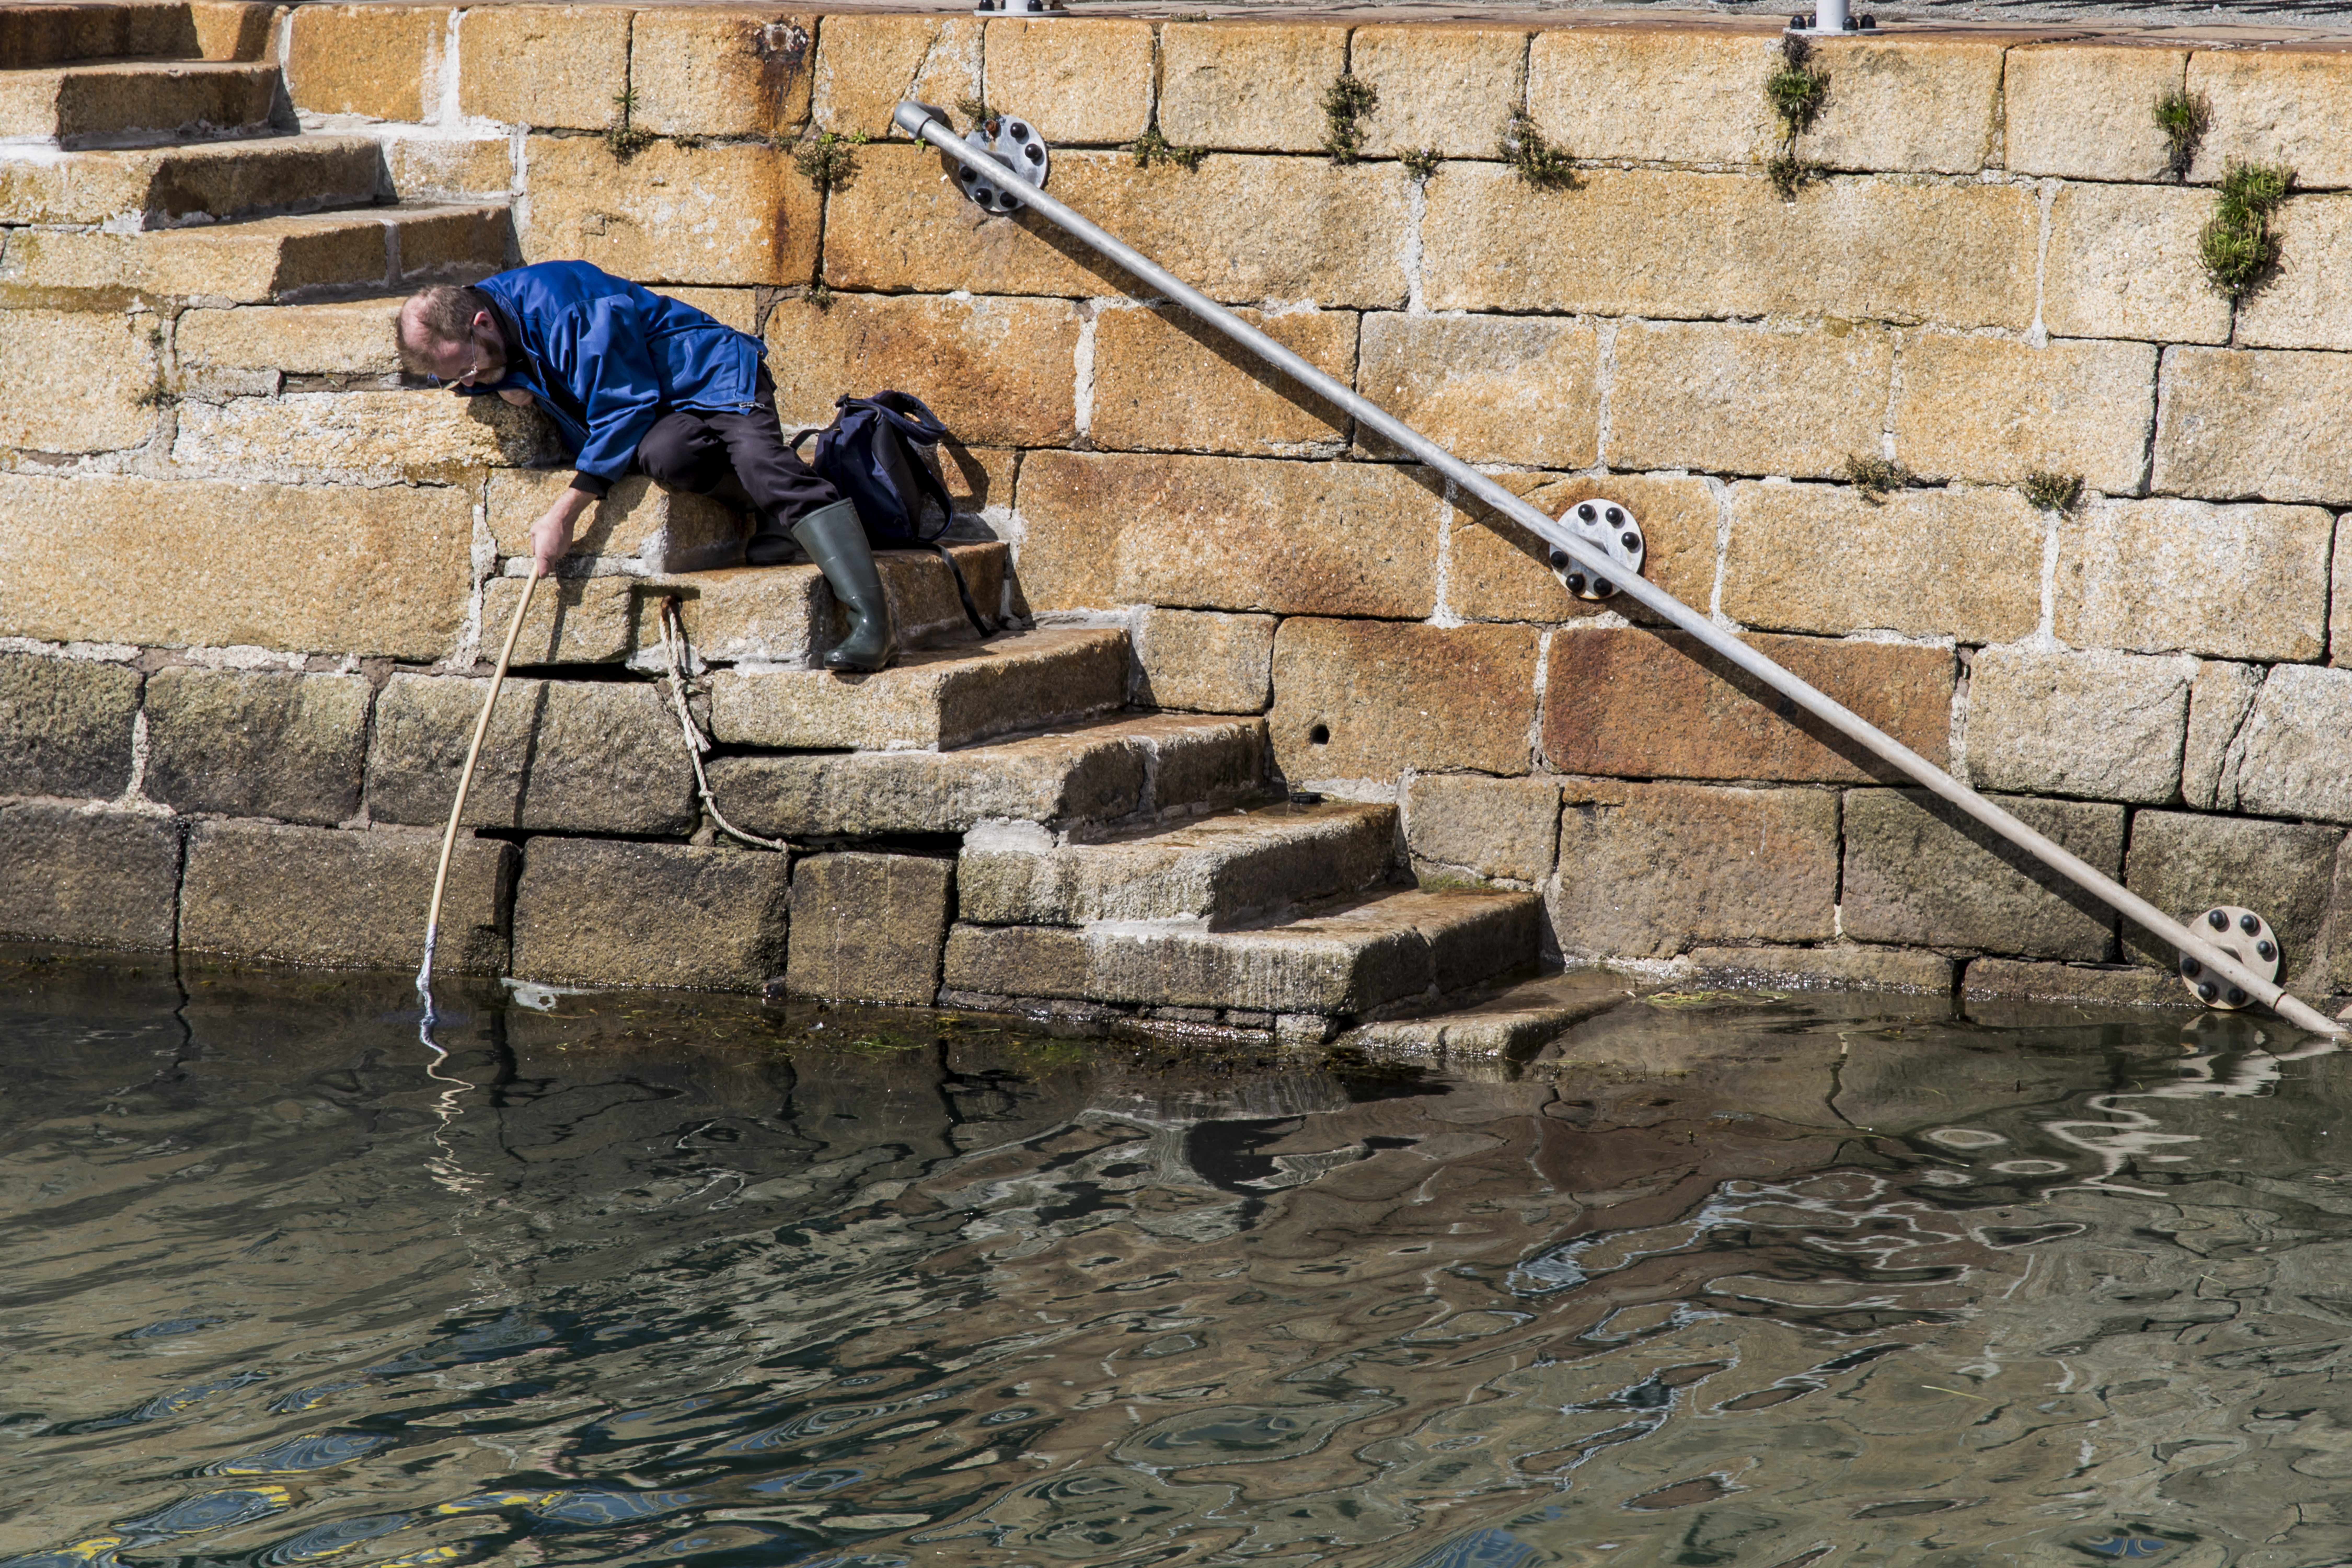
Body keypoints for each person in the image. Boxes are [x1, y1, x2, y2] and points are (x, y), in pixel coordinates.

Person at [394, 261, 895, 672]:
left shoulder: (569, 309)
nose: (469, 380)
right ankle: (772, 510)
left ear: (480, 324)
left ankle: (873, 625)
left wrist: (564, 515)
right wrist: (502, 377)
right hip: (661, 408)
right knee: (667, 457)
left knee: (763, 463)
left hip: (708, 374)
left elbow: (621, 408)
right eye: (457, 378)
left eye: (467, 368)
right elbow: (528, 361)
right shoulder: (488, 320)